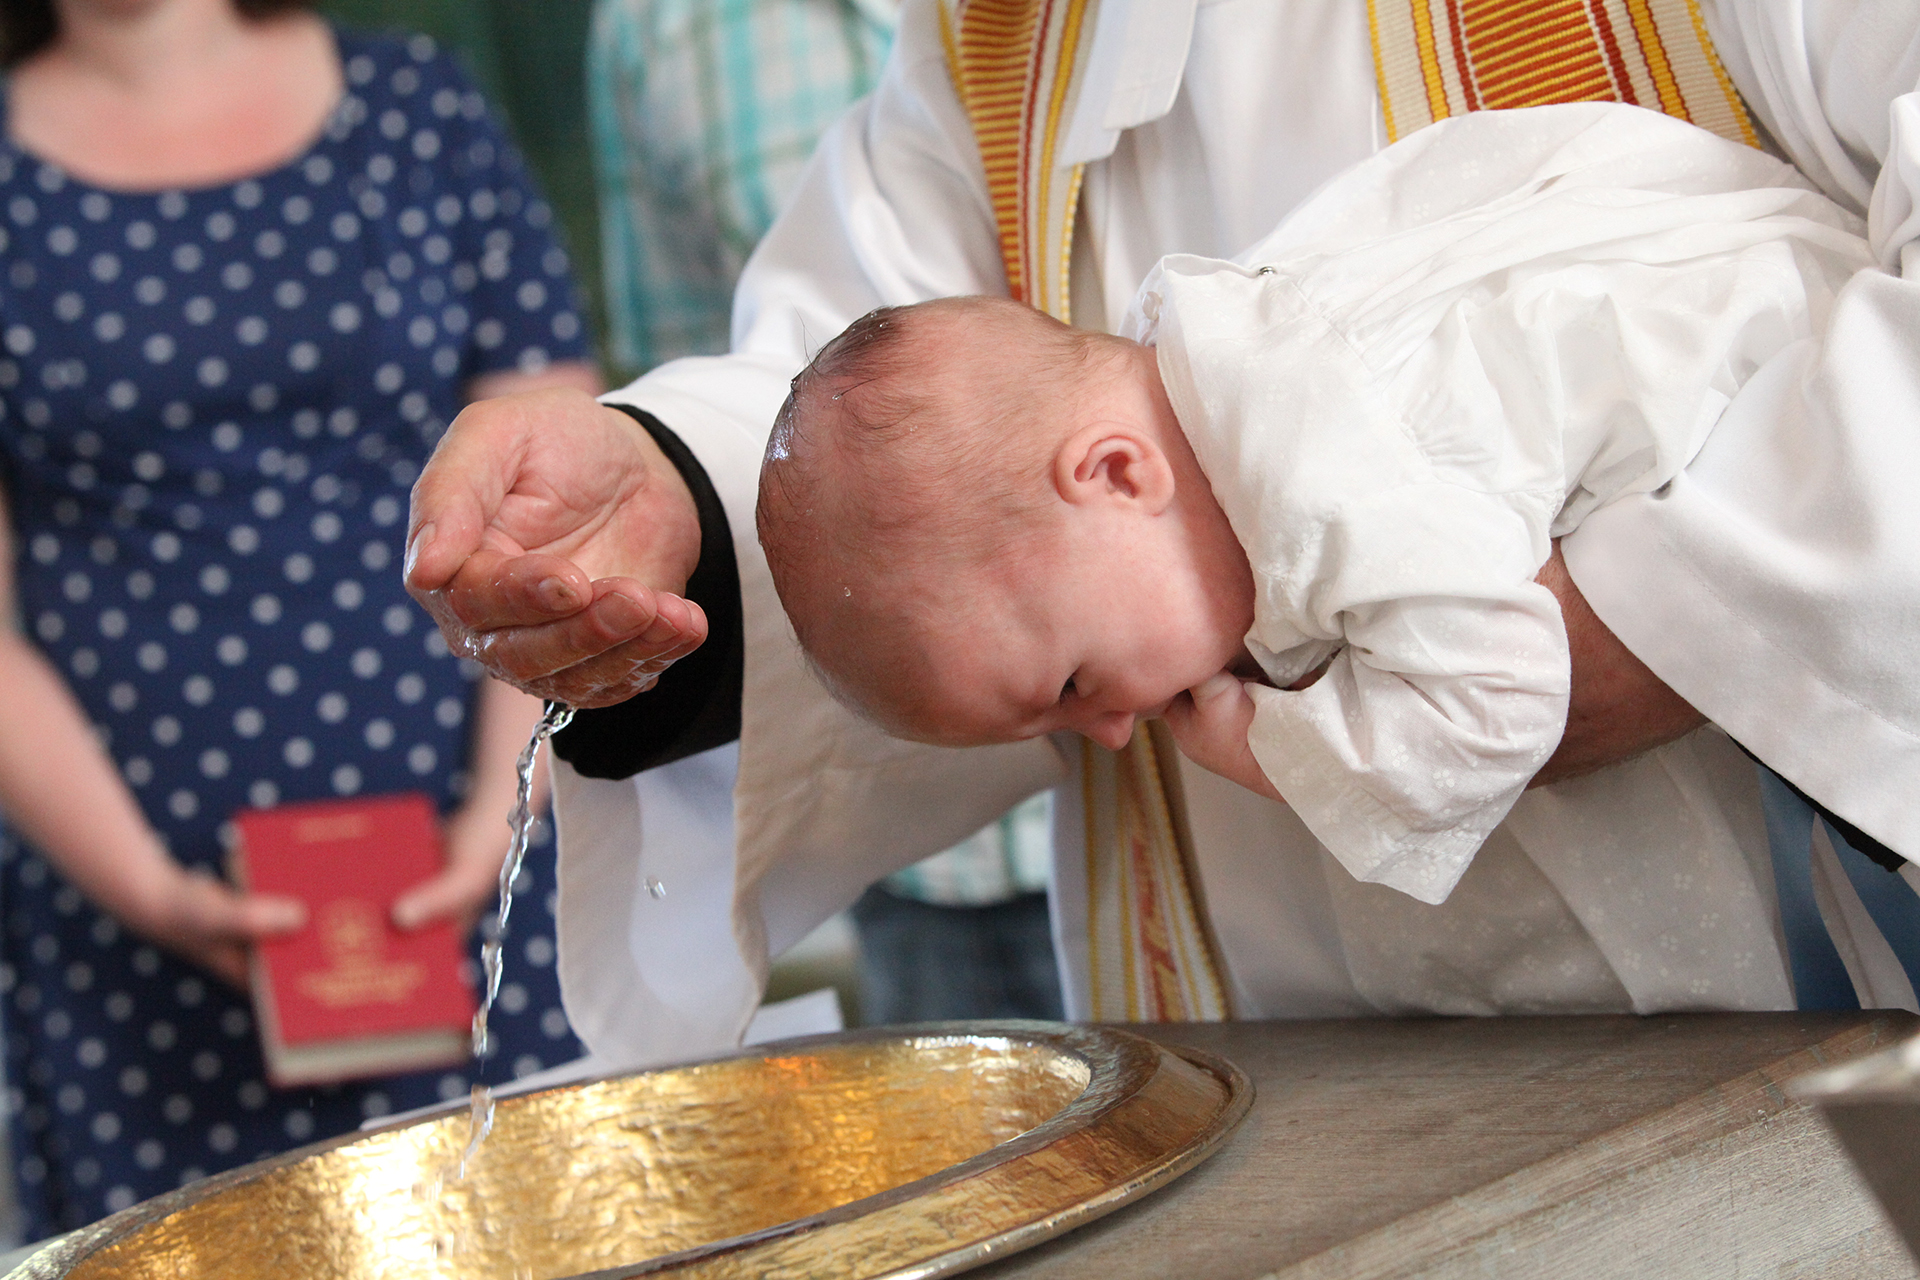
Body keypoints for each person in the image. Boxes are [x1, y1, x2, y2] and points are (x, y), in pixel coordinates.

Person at [405, 0, 1920, 1066]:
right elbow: (918, 440)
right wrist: (676, 509)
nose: (1117, 726)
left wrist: (1650, 625)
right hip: (1264, 1045)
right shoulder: (1007, 31)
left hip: (1773, 994)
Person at [756, 102, 1874, 910]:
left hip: (1826, 434)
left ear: (1115, 472)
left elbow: (1511, 697)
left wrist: (1274, 749)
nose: (1108, 732)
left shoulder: (1318, 477)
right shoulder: (1231, 328)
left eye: (1071, 686)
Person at [0, 0, 593, 1234]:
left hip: (485, 861)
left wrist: (496, 819)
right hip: (126, 918)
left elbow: (561, 497)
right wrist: (150, 891)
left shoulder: (418, 110)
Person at [589, 0, 1061, 1024]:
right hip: (919, 819)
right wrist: (656, 467)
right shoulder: (656, 30)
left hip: (1219, 755)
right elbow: (713, 357)